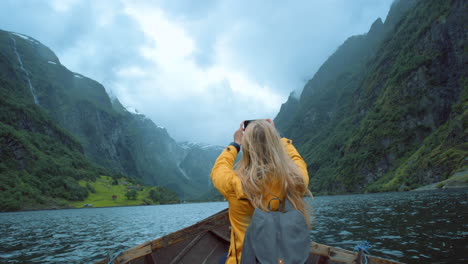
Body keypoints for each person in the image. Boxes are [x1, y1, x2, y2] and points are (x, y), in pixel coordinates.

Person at [211, 119, 311, 264]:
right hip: (285, 259)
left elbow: (219, 169)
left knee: (223, 259)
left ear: (248, 148)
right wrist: (280, 138)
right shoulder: (296, 180)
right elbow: (296, 159)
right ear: (275, 144)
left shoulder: (234, 184)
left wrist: (235, 144)